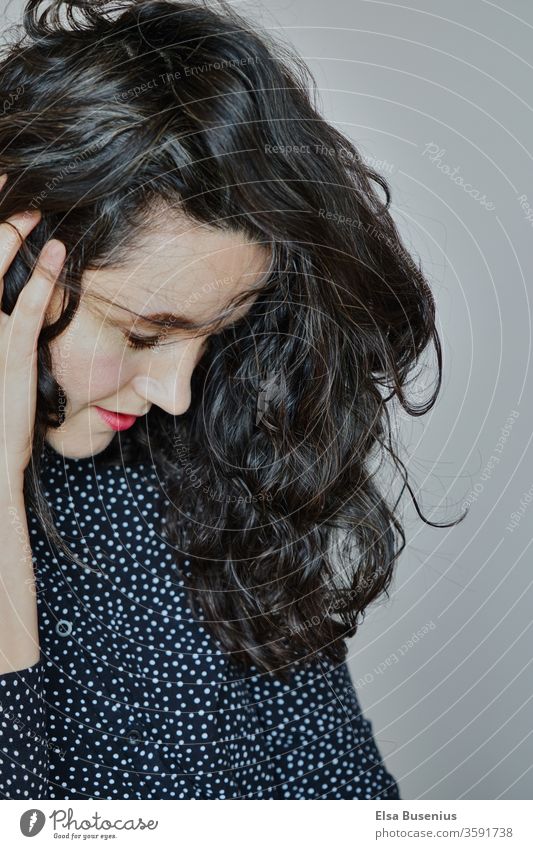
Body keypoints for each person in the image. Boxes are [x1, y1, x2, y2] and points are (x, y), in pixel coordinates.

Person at [0, 0, 457, 800]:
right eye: (143, 333)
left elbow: (346, 806)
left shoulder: (199, 476)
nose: (177, 392)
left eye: (212, 334)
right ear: (13, 250)